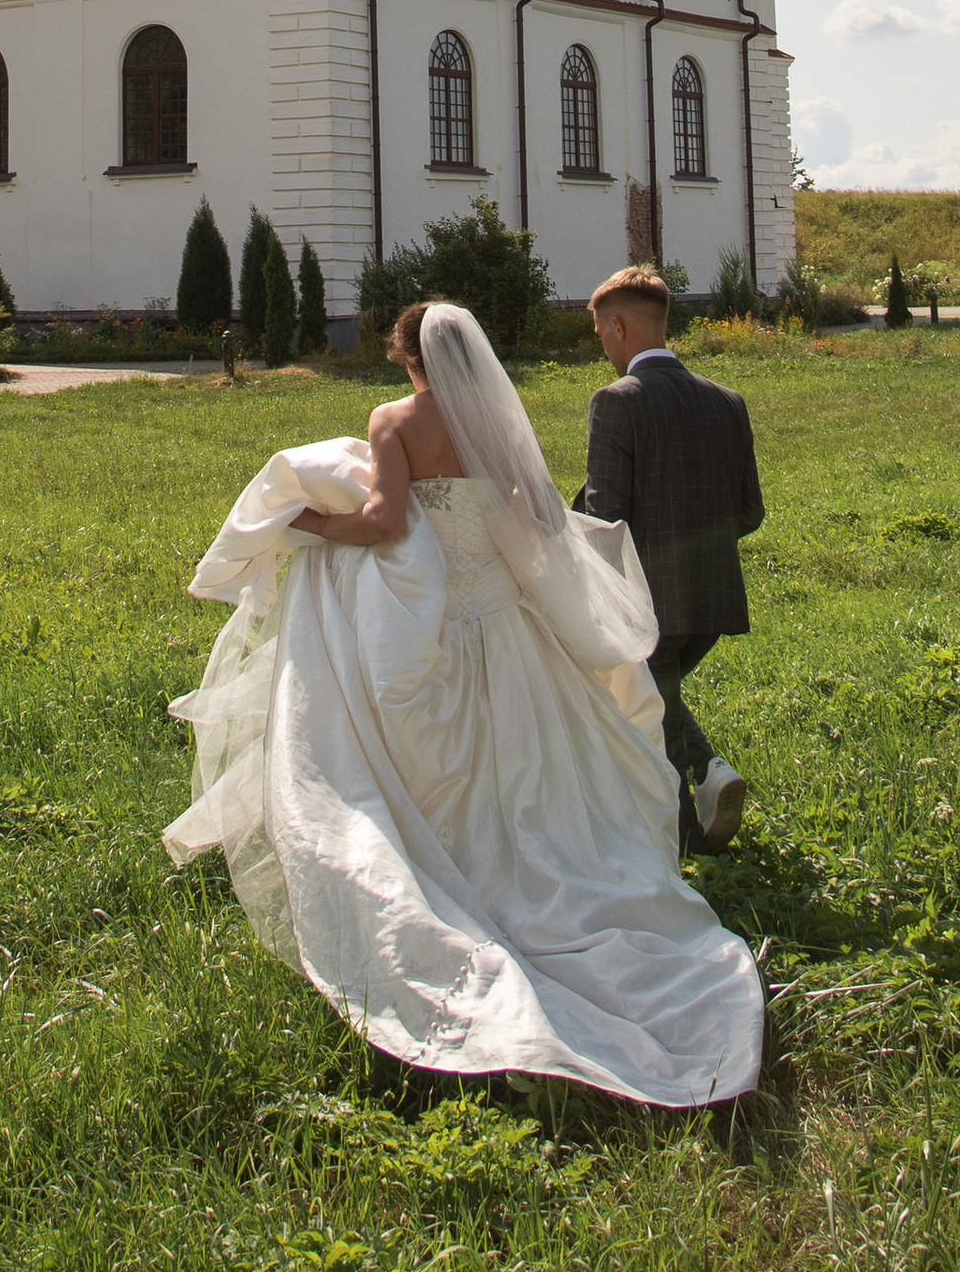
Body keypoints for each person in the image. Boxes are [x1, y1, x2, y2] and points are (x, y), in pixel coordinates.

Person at [163, 298, 764, 1108]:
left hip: (438, 622)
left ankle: (455, 885)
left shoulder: (393, 421)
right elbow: (542, 515)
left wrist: (305, 523)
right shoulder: (497, 421)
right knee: (531, 762)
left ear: (407, 356)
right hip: (506, 621)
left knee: (433, 754)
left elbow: (384, 523)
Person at [577, 263, 763, 852]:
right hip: (713, 597)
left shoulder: (616, 402)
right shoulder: (727, 401)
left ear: (621, 328)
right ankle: (695, 821)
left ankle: (700, 791)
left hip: (647, 600)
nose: (602, 345)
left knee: (648, 704)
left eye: (601, 333)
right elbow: (750, 511)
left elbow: (606, 519)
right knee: (656, 699)